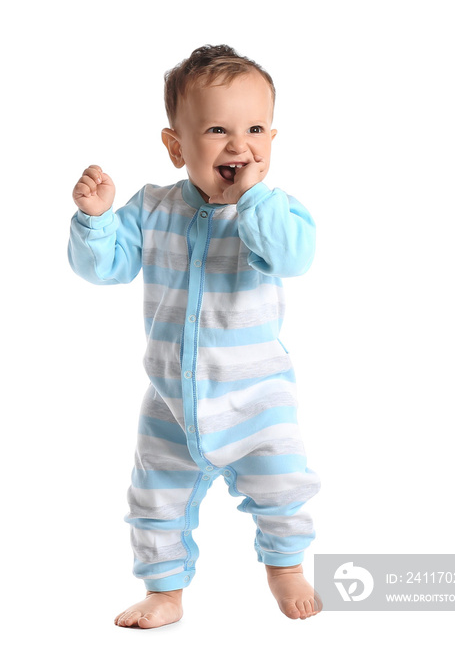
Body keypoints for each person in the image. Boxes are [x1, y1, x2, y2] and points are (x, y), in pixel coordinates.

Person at [68, 45, 322, 628]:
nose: (239, 145)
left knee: (282, 488)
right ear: (176, 146)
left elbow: (293, 257)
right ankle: (164, 590)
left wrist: (252, 197)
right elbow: (104, 268)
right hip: (171, 405)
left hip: (258, 402)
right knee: (154, 500)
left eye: (255, 129)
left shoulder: (274, 211)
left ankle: (285, 568)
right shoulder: (153, 207)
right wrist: (97, 220)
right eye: (217, 129)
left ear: (273, 140)